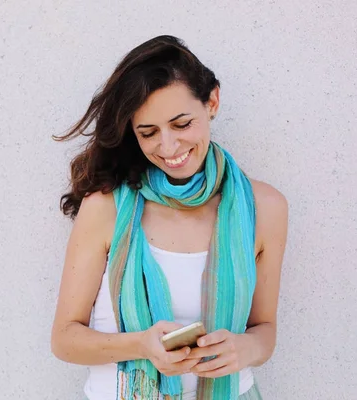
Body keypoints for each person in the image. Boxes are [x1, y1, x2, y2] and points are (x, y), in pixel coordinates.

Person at [50, 35, 288, 400]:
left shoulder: (265, 207)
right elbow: (65, 339)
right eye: (148, 133)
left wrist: (245, 349)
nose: (168, 147)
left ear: (212, 102)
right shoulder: (106, 207)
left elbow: (264, 329)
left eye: (181, 124)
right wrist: (143, 345)